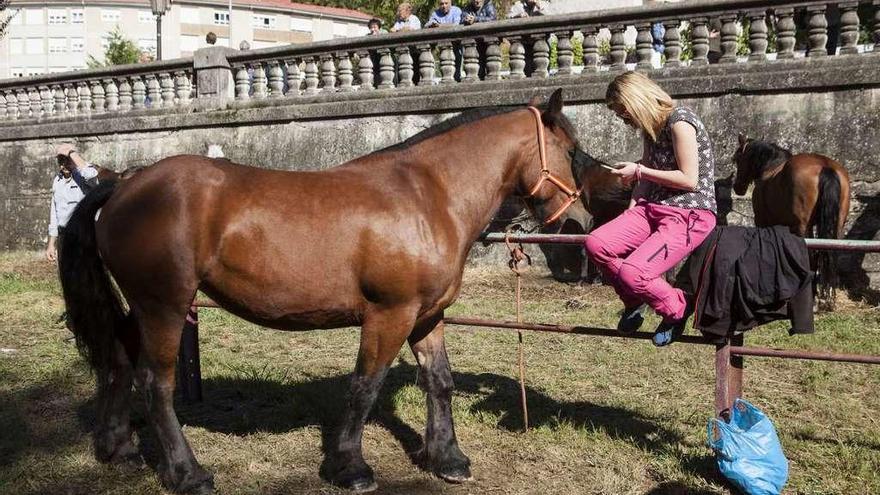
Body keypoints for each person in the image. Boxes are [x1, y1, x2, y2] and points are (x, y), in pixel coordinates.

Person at [584, 71, 717, 347]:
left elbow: (689, 179)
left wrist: (640, 171)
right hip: (653, 208)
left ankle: (677, 309)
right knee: (597, 243)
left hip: (689, 214)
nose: (623, 119)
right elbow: (642, 181)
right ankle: (634, 302)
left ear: (637, 100)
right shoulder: (651, 130)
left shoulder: (681, 122)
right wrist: (632, 210)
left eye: (623, 112)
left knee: (633, 272)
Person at [46, 144, 100, 262]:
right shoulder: (57, 181)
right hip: (64, 236)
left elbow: (92, 175)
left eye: (66, 160)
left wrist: (72, 154)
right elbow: (54, 213)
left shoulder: (83, 177)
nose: (63, 165)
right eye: (61, 161)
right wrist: (51, 244)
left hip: (83, 235)